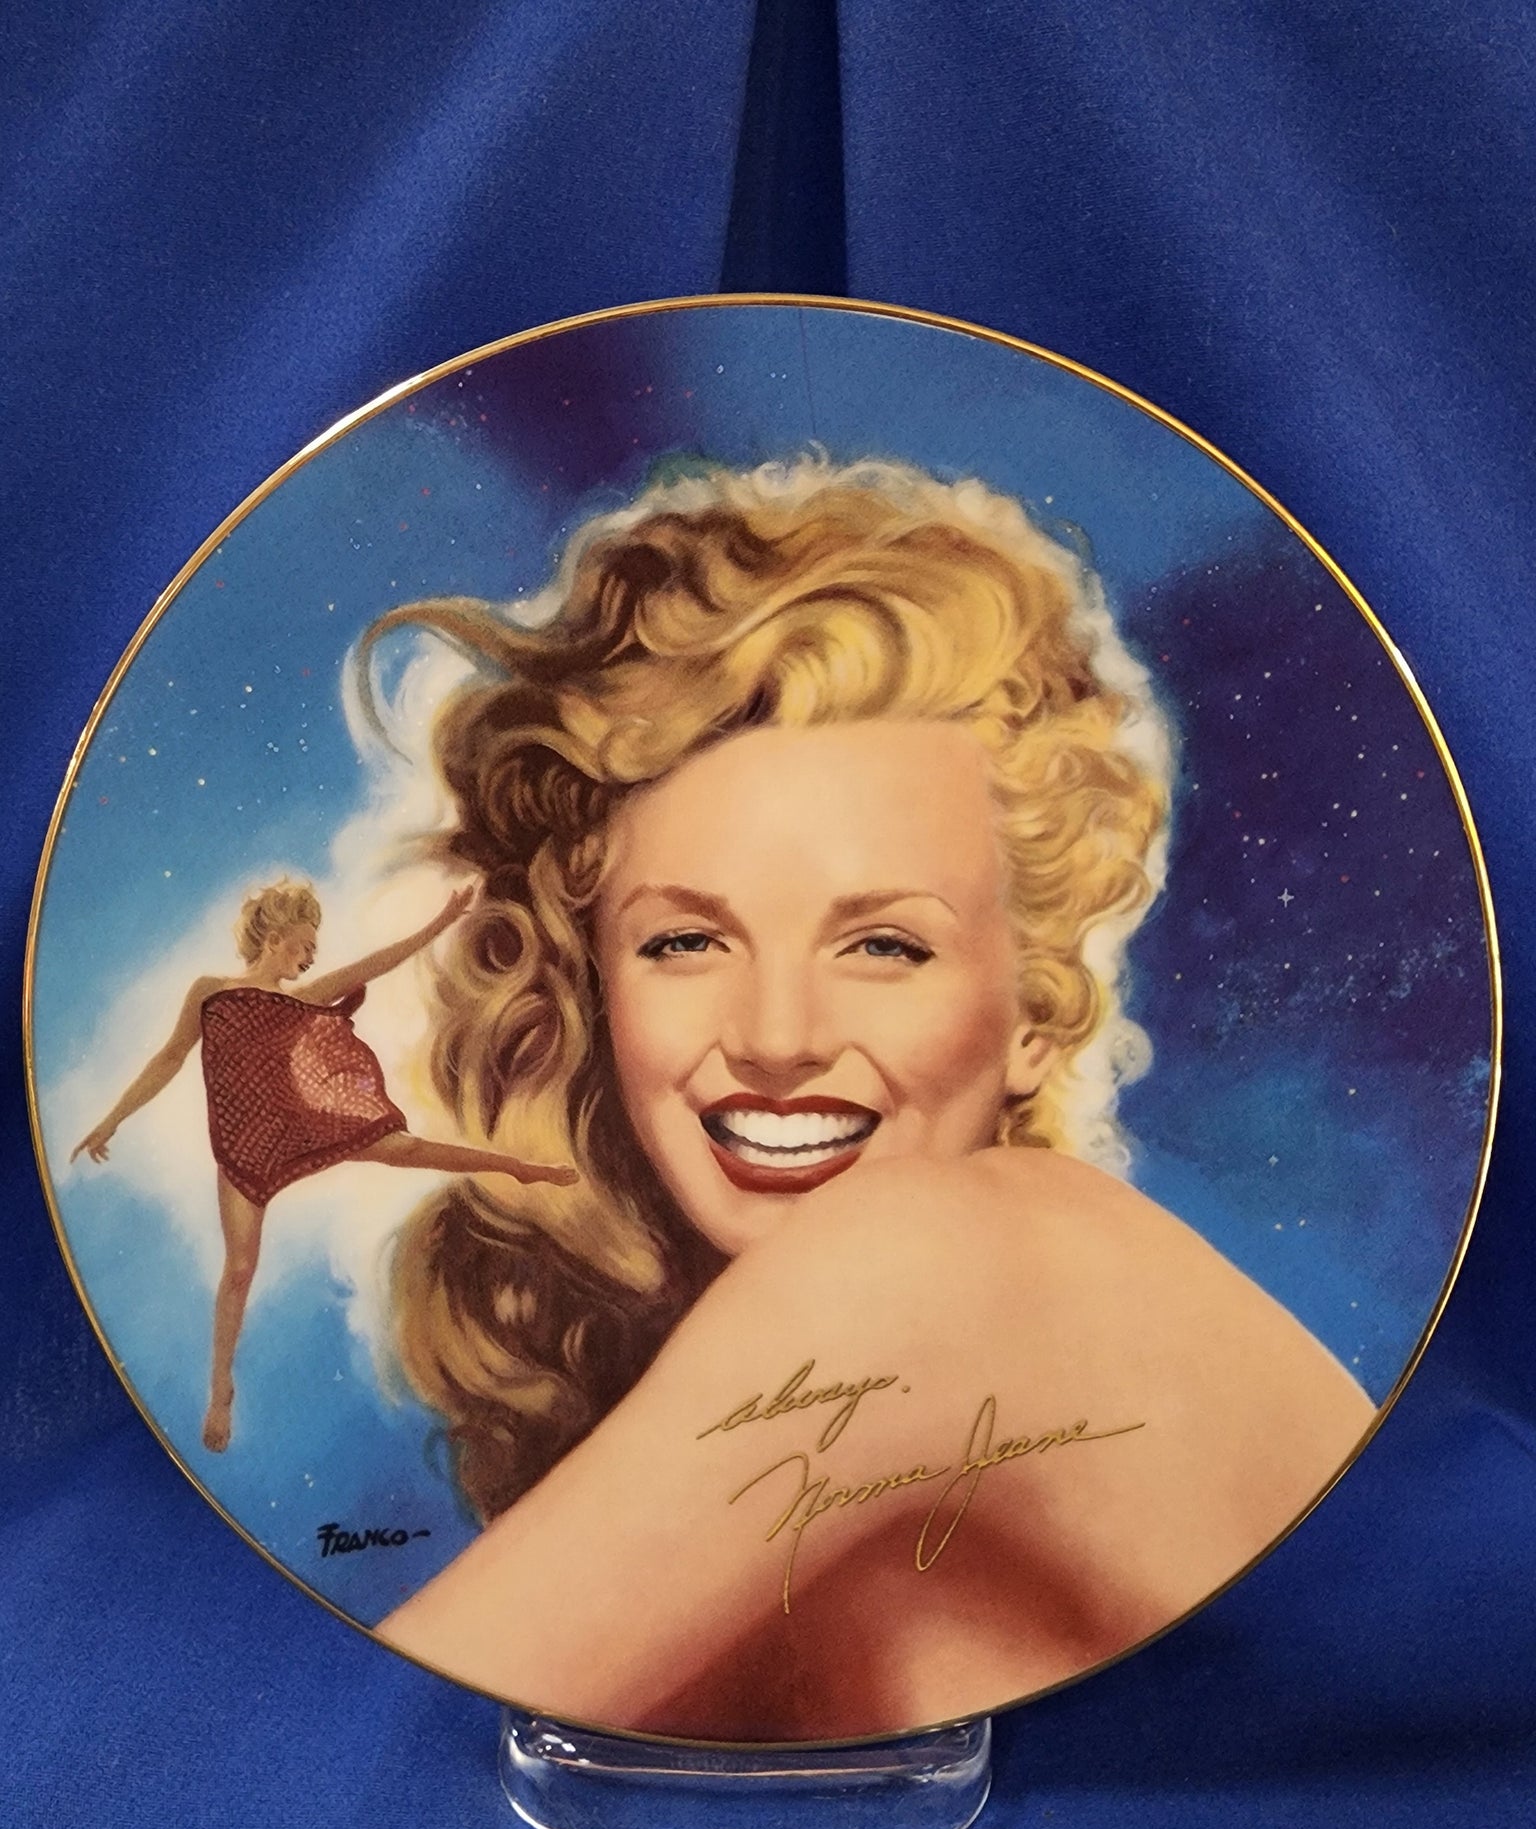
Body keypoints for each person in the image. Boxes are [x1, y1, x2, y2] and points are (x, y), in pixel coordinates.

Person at [350, 454, 1373, 1741]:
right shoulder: (839, 1330)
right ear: (592, 988)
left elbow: (388, 1735)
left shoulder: (927, 1257)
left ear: (1032, 1011)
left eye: (884, 945)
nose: (777, 1039)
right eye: (686, 942)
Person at [73, 881, 577, 1454]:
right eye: (306, 944)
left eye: (315, 948)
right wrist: (112, 1120)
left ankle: (517, 1167)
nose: (312, 956)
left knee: (404, 1149)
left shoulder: (305, 998)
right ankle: (220, 1392)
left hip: (301, 1124)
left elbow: (377, 963)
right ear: (276, 938)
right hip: (244, 1145)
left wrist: (440, 923)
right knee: (239, 1269)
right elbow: (168, 1058)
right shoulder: (210, 993)